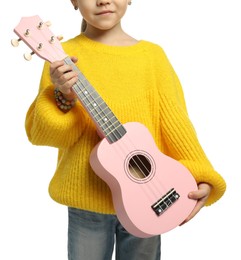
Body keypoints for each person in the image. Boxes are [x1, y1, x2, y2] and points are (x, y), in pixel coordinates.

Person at [25, 0, 226, 259]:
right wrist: (62, 95)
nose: (103, 0)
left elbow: (176, 122)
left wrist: (202, 174)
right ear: (73, 2)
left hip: (152, 198)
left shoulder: (152, 56)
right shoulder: (62, 57)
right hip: (87, 205)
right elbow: (46, 136)